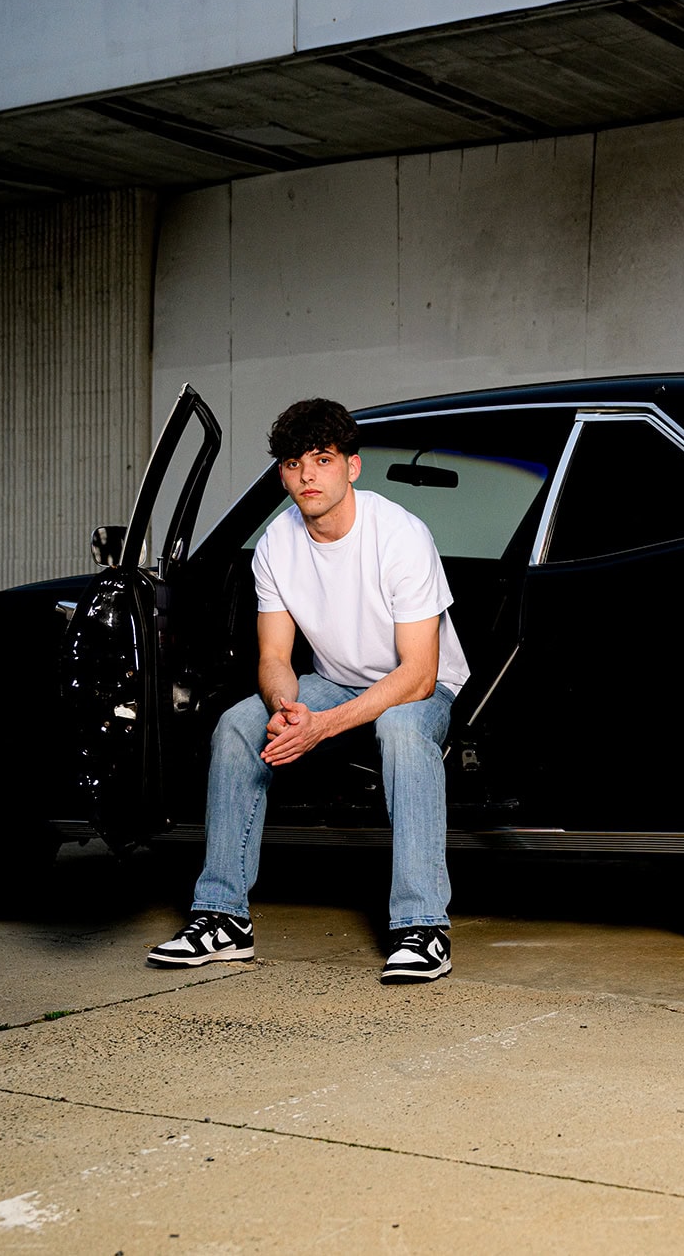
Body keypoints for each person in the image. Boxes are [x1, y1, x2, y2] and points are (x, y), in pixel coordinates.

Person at [147, 398, 470, 982]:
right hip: (333, 679)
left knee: (399, 728)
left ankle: (423, 927)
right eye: (294, 464)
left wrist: (321, 726)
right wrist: (286, 709)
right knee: (239, 725)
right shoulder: (276, 545)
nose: (307, 476)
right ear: (282, 475)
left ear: (352, 466)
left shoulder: (399, 535)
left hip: (420, 685)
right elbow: (273, 657)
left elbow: (419, 671)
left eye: (322, 459)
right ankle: (222, 917)